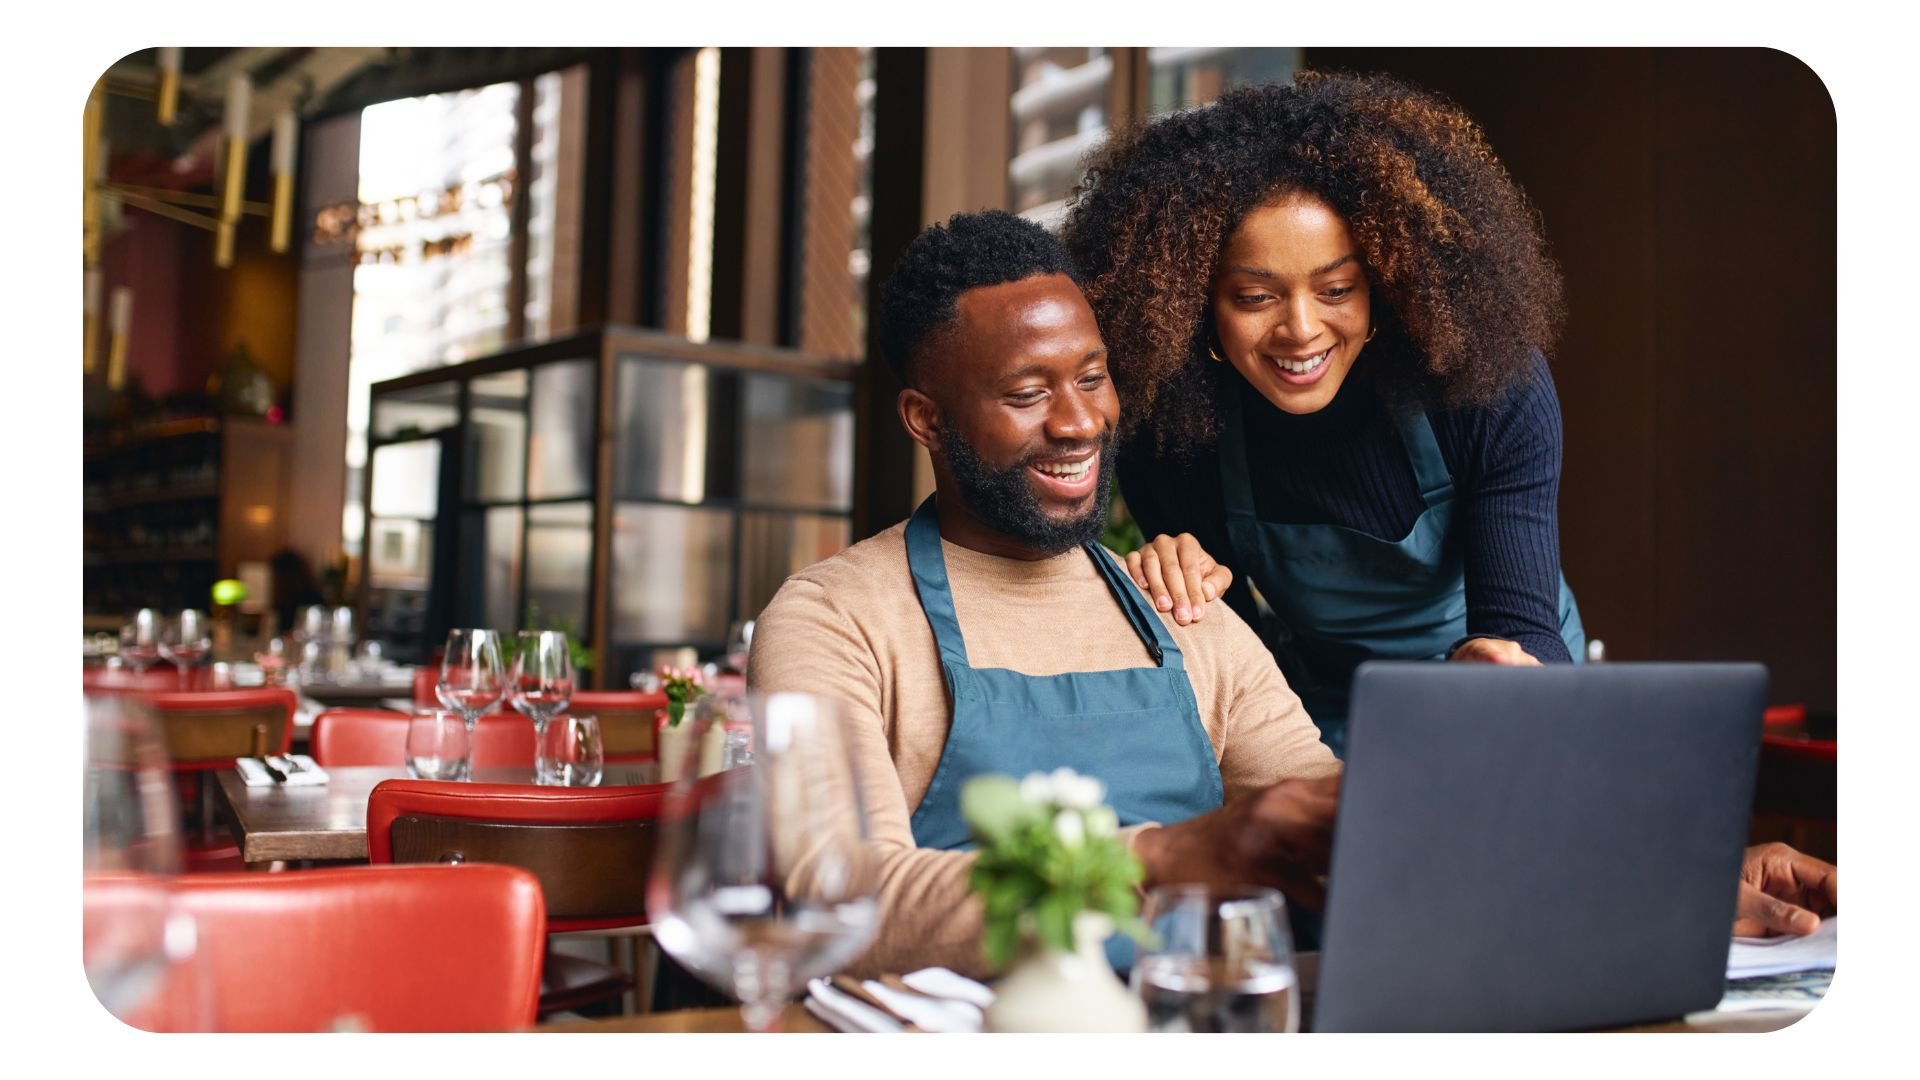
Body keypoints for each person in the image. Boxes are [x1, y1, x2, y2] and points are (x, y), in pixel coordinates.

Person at [748, 210, 1836, 981]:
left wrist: (1665, 879)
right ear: (924, 419)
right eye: (1028, 394)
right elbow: (840, 896)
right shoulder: (836, 616)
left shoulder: (1180, 608)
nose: (1080, 424)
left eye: (1092, 377)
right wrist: (1175, 855)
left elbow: (1371, 836)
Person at [1063, 72, 1585, 757]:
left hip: (1506, 692)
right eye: (1255, 297)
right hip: (1329, 711)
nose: (1302, 330)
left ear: (1385, 285)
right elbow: (1238, 671)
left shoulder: (1485, 386)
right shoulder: (1171, 433)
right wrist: (1179, 589)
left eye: (1337, 288)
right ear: (1194, 309)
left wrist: (1500, 669)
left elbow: (1525, 627)